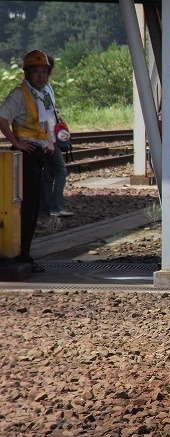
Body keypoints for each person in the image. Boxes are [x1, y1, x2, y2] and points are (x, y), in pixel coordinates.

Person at [0, 50, 54, 273]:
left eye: (44, 71)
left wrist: (50, 141)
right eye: (36, 71)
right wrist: (17, 143)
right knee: (27, 206)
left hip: (39, 153)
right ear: (27, 73)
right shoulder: (19, 94)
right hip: (27, 153)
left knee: (33, 206)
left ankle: (25, 253)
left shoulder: (43, 93)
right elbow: (2, 118)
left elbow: (49, 118)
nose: (40, 75)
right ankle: (21, 254)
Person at [41, 55, 73, 217]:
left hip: (49, 136)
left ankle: (45, 208)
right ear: (51, 70)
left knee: (47, 173)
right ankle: (57, 207)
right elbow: (44, 117)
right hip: (50, 138)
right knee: (60, 171)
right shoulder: (45, 90)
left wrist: (58, 117)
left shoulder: (46, 89)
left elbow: (49, 113)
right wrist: (49, 141)